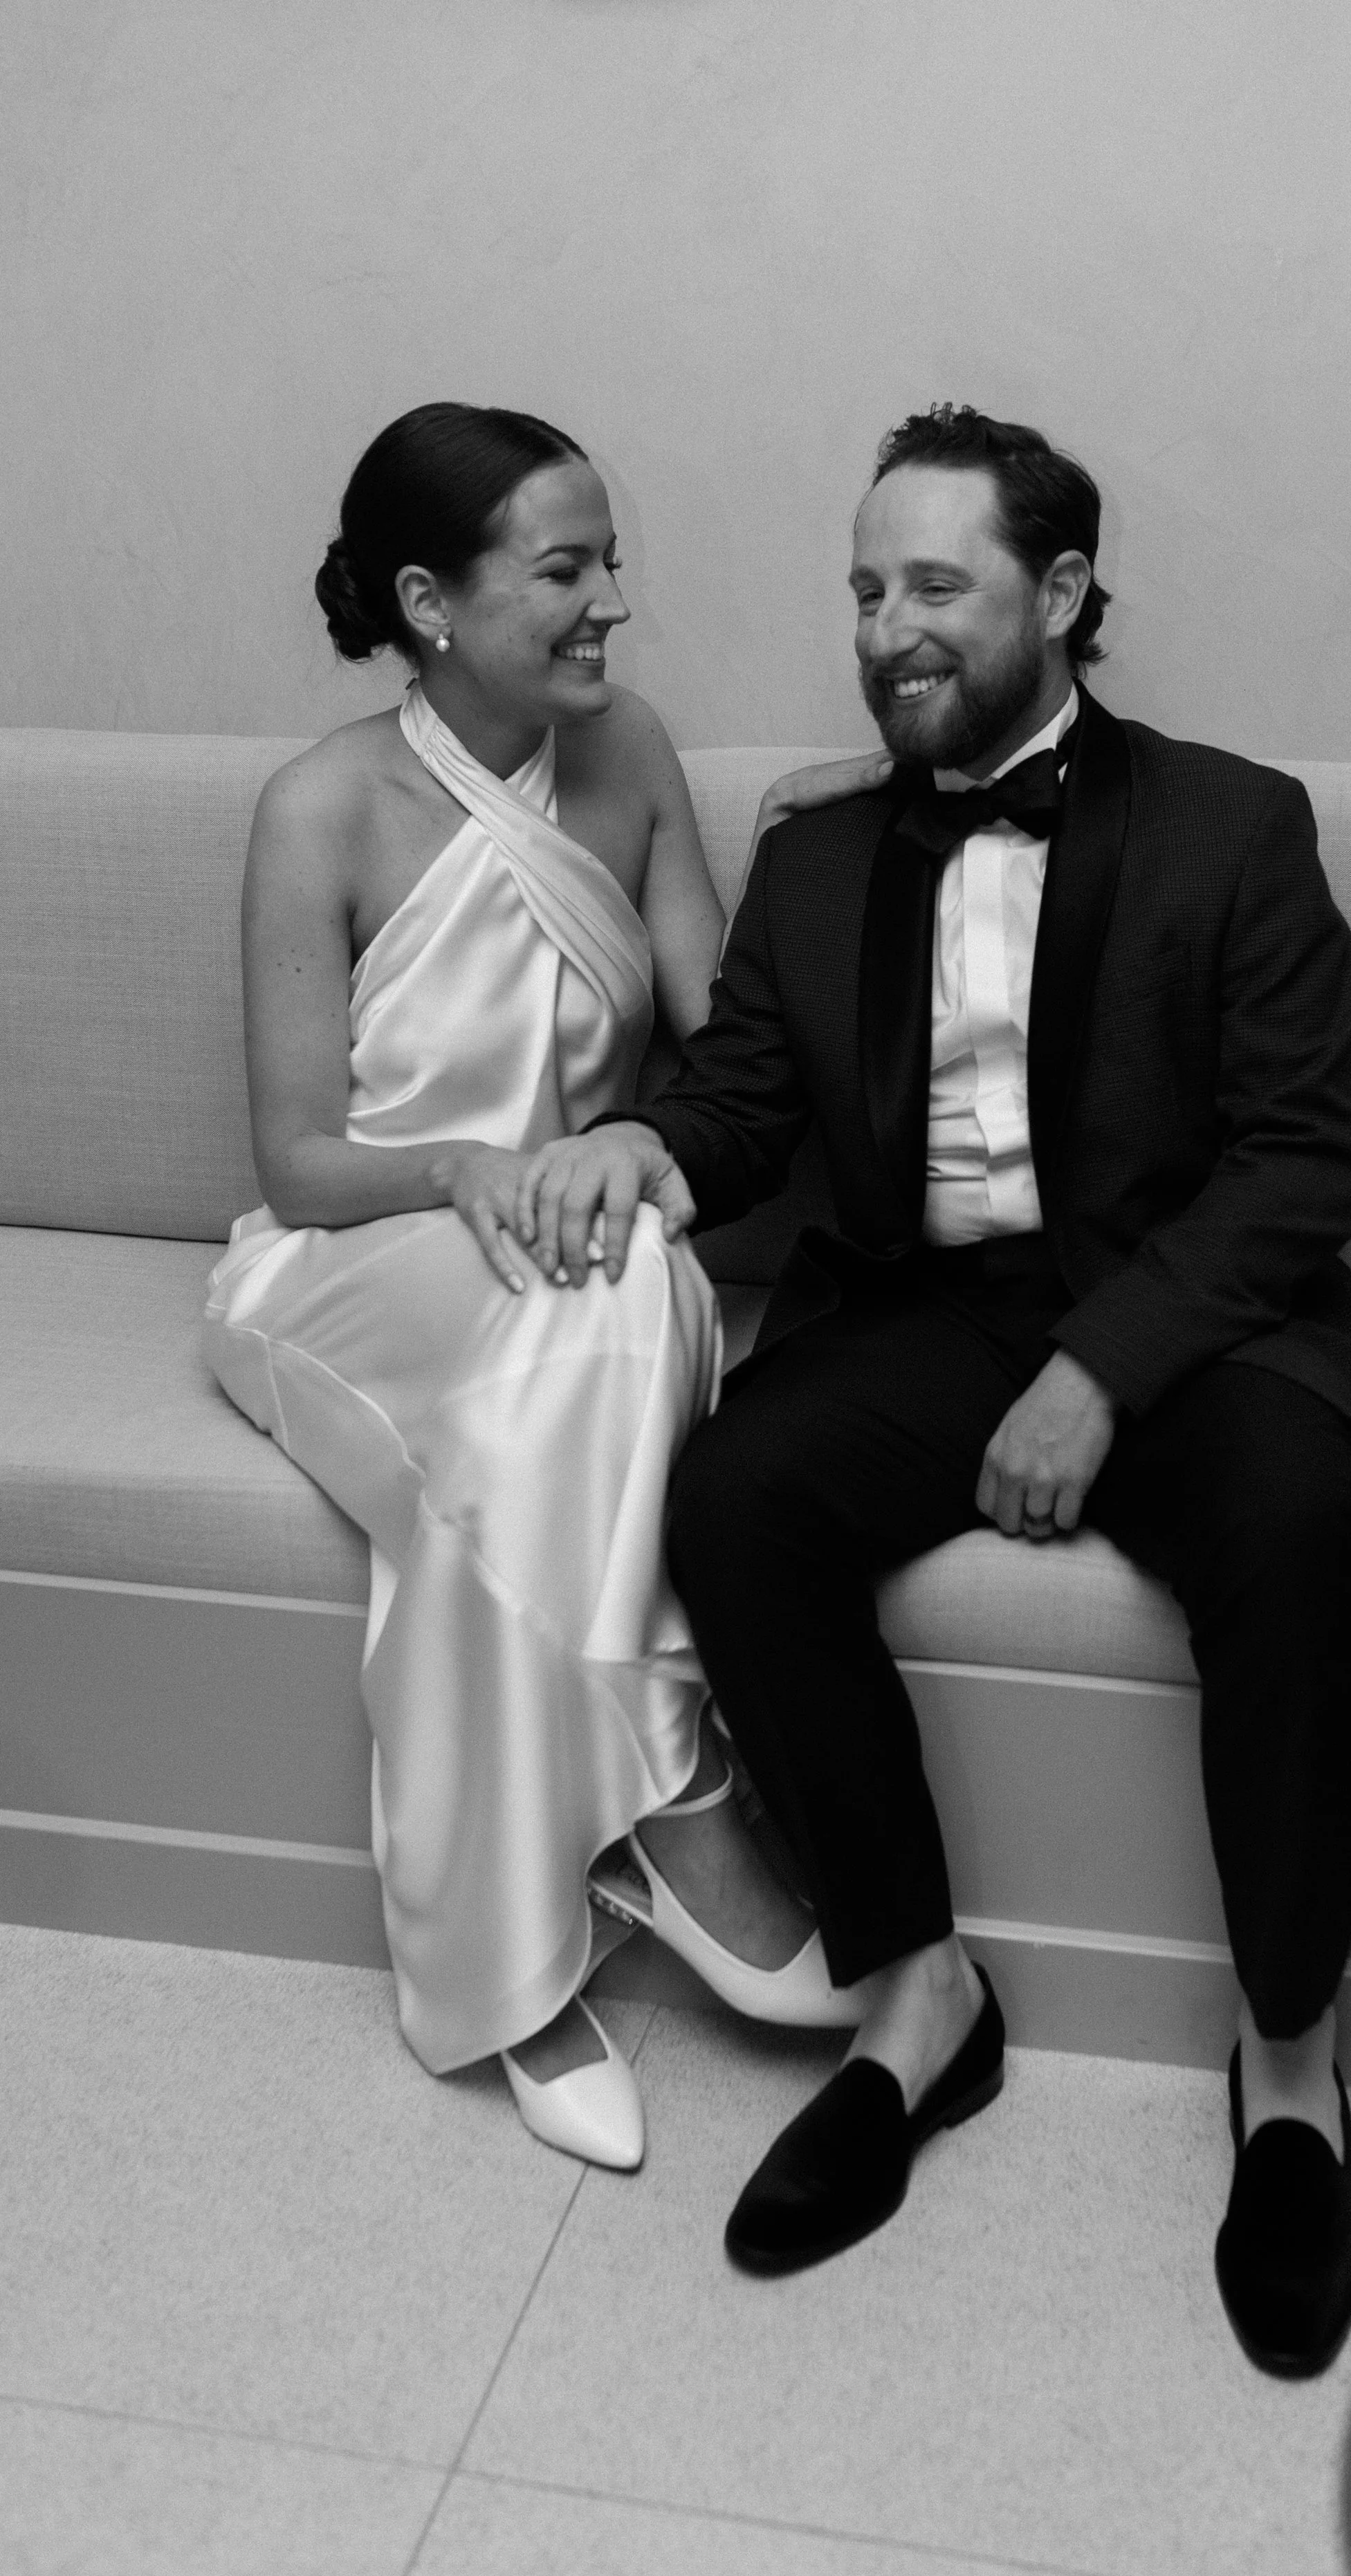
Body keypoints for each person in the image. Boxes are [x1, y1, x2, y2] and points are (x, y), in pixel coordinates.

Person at [531, 402, 1351, 2377]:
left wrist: (1101, 1371)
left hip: (1184, 1310)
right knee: (737, 1493)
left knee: (1296, 1540)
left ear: (1062, 595)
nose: (887, 626)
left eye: (935, 583)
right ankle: (918, 1994)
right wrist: (641, 1153)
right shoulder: (820, 847)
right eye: (864, 586)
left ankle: (1285, 2065)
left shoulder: (1232, 824)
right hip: (921, 1309)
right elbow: (744, 1097)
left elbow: (1300, 1157)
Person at [203, 402, 885, 2172]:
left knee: (624, 1281)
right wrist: (467, 1167)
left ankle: (513, 1962)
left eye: (610, 566)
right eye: (565, 569)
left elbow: (739, 1052)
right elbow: (296, 1160)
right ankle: (679, 1792)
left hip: (581, 1248)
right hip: (353, 1261)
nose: (610, 606)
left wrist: (859, 832)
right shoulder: (322, 808)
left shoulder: (630, 753)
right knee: (600, 1301)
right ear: (431, 602)